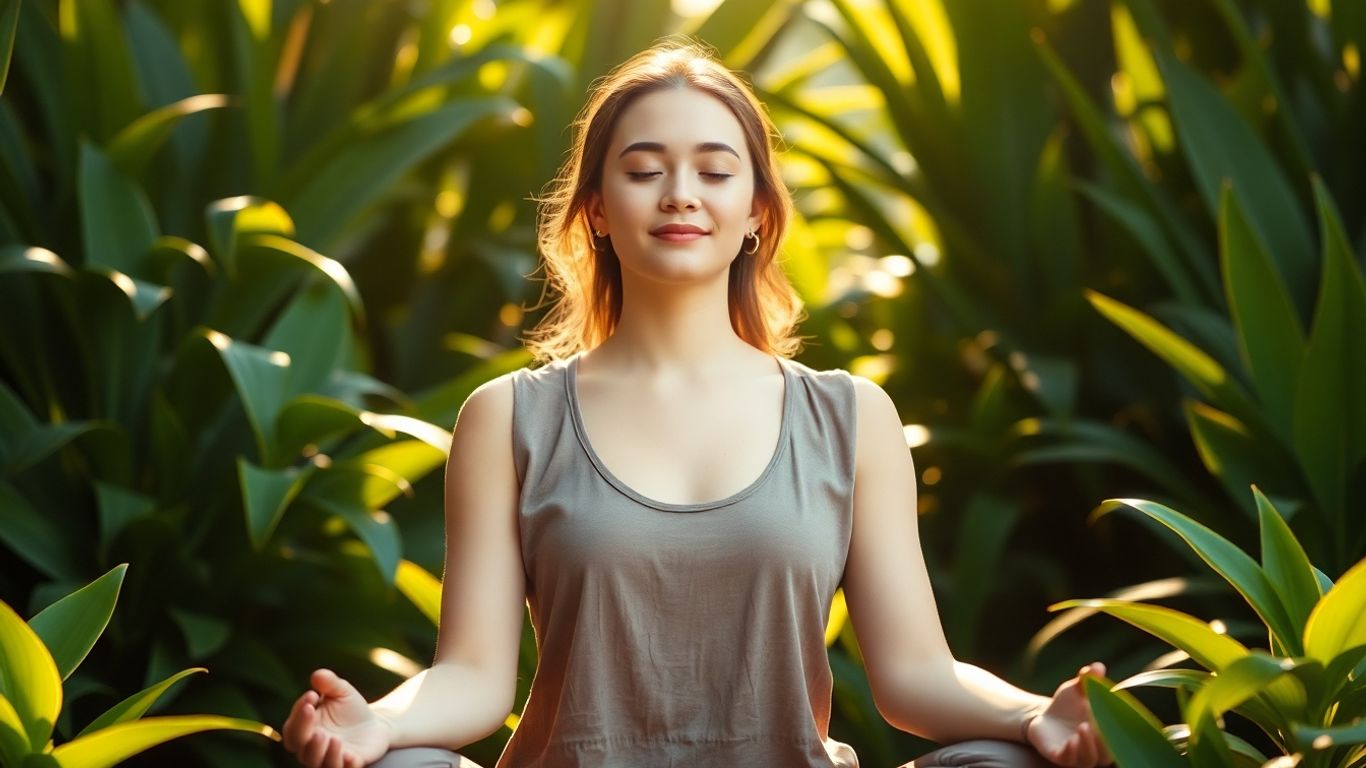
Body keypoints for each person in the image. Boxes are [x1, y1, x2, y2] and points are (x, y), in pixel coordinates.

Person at [281, 40, 1114, 768]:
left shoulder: (851, 417)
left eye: (715, 171)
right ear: (598, 211)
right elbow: (472, 677)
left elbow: (915, 677)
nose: (681, 193)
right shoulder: (508, 417)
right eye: (645, 171)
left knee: (1002, 763)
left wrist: (1034, 714)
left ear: (755, 211)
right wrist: (377, 724)